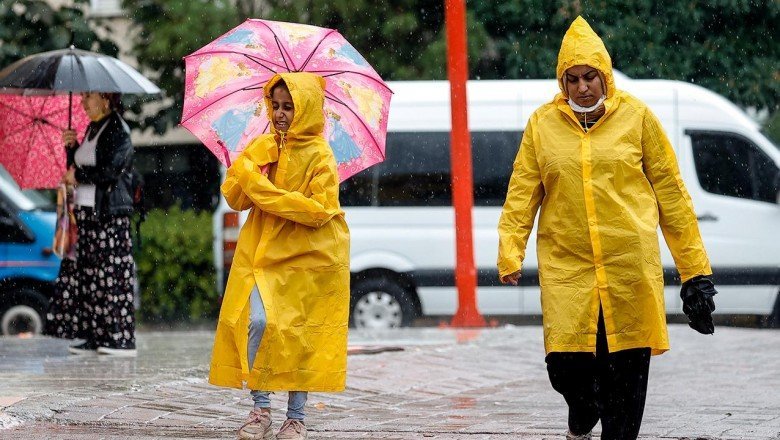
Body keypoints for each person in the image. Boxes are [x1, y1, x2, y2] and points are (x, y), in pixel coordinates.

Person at [497, 17, 718, 440]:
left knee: (626, 390)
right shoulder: (542, 126)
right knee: (564, 368)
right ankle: (582, 412)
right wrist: (511, 250)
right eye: (572, 78)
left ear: (605, 76)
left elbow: (672, 196)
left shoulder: (637, 118)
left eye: (590, 77)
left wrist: (695, 274)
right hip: (568, 270)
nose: (582, 87)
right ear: (562, 82)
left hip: (629, 269)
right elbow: (521, 194)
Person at [209, 72, 350, 440]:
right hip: (260, 255)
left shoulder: (320, 154)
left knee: (296, 332)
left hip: (305, 258)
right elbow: (236, 198)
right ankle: (261, 408)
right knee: (257, 322)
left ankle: (296, 417)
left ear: (305, 110)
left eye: (289, 106)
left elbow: (319, 209)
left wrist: (262, 189)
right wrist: (250, 162)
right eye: (276, 105)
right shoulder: (264, 145)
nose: (282, 113)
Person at [45, 92, 137, 357]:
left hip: (109, 215)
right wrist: (71, 149)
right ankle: (92, 335)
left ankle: (119, 338)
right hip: (86, 214)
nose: (83, 102)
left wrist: (79, 175)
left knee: (111, 277)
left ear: (106, 100)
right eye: (83, 97)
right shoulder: (93, 128)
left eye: (89, 97)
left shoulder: (118, 130)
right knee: (87, 277)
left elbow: (111, 171)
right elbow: (78, 168)